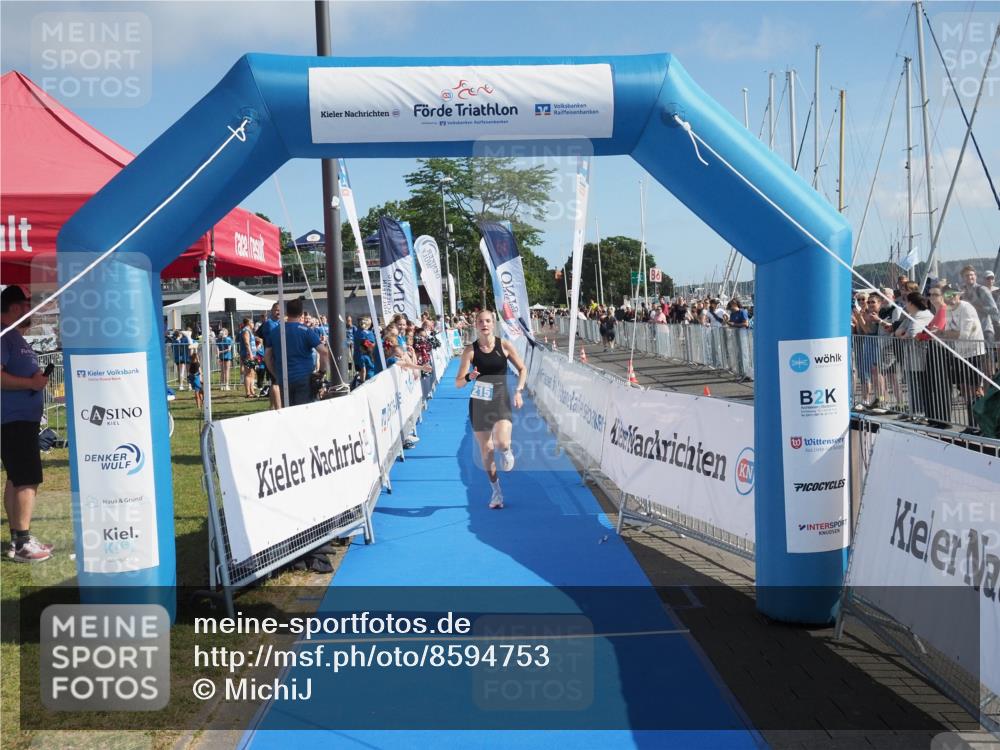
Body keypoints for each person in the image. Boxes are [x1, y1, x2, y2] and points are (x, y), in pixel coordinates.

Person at [454, 309, 528, 510]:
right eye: (480, 321)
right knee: (486, 451)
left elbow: (522, 369)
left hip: (500, 399)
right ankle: (496, 492)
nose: (484, 324)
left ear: (493, 324)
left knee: (502, 442)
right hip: (479, 402)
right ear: (475, 325)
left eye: (488, 321)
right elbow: (458, 383)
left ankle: (506, 450)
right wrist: (470, 376)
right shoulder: (470, 351)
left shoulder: (504, 345)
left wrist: (519, 391)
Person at [1, 285, 53, 562]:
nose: (30, 310)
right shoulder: (3, 336)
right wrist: (31, 382)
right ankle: (23, 543)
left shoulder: (14, 337)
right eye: (25, 304)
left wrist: (36, 381)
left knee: (17, 478)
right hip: (13, 419)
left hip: (22, 419)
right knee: (27, 478)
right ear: (15, 306)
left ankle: (17, 539)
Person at [264, 297, 331, 408]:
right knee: (303, 411)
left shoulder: (275, 331)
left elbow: (267, 356)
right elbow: (324, 352)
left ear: (286, 312)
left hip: (284, 378)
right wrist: (322, 372)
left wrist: (276, 373)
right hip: (303, 378)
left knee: (288, 411)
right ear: (301, 313)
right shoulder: (306, 331)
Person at [257, 303, 283, 409]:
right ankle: (278, 408)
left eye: (280, 310)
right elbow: (260, 334)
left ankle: (271, 406)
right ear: (272, 311)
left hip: (280, 355)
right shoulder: (269, 324)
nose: (279, 312)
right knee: (276, 382)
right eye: (276, 310)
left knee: (275, 382)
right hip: (272, 356)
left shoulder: (281, 322)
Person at [238, 317, 257, 398]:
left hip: (251, 354)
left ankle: (252, 391)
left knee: (252, 373)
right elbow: (246, 343)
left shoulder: (250, 331)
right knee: (248, 373)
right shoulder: (246, 330)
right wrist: (250, 354)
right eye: (252, 322)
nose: (253, 324)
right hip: (247, 355)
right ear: (249, 323)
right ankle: (248, 392)